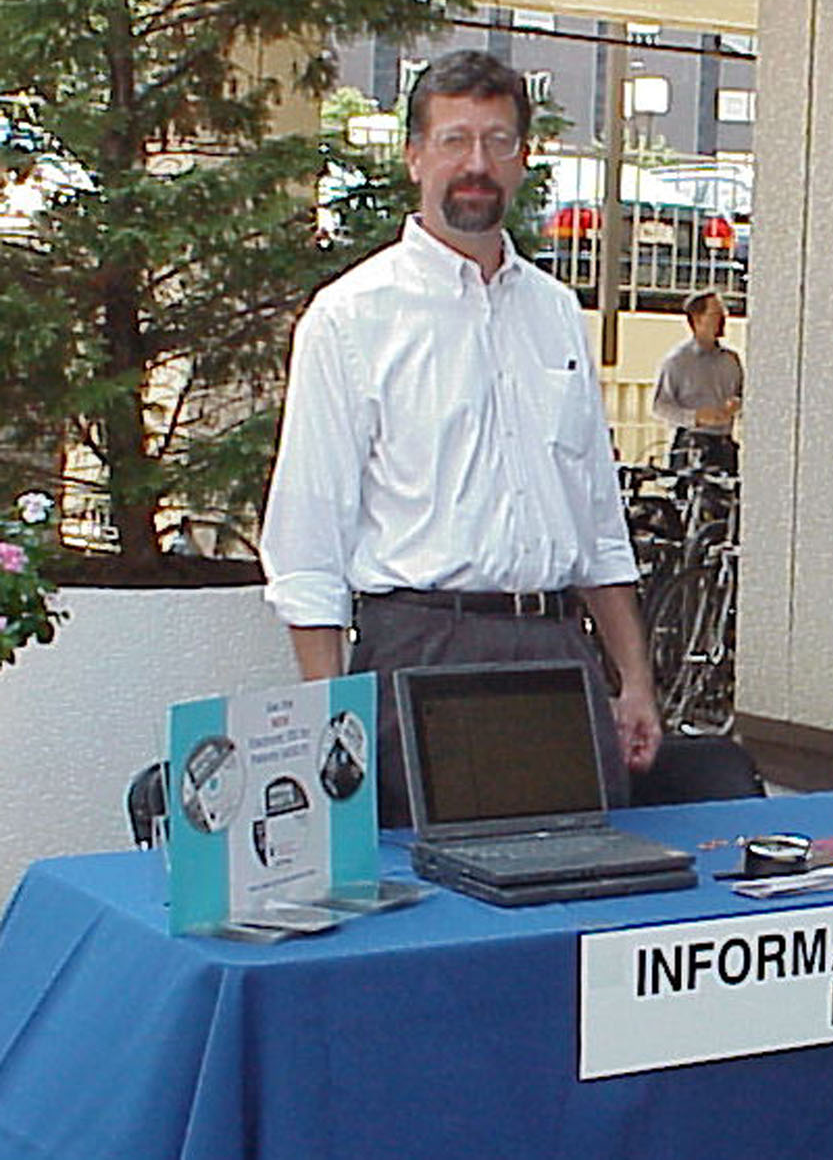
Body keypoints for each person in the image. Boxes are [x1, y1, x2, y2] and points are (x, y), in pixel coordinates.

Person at [260, 49, 658, 828]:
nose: (476, 164)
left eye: (498, 141)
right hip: (421, 653)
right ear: (414, 156)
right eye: (454, 140)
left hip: (554, 653)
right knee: (433, 914)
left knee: (575, 895)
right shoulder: (350, 319)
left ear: (523, 159)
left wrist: (634, 678)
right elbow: (308, 549)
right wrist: (330, 724)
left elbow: (597, 524)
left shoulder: (553, 312)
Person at [650, 289, 743, 472]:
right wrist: (696, 417)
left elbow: (744, 395)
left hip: (724, 445)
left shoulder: (731, 360)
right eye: (716, 314)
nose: (723, 320)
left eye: (724, 314)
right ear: (697, 319)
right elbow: (660, 406)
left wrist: (736, 404)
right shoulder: (677, 361)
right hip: (690, 444)